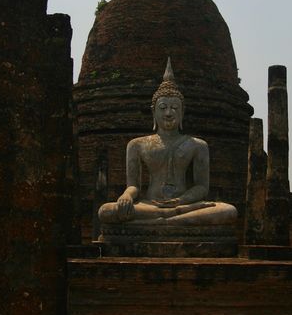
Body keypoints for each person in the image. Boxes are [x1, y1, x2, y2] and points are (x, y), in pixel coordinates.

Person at [98, 59, 237, 226]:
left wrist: (181, 201)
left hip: (185, 205)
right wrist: (126, 196)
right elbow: (133, 185)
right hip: (149, 205)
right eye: (163, 107)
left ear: (182, 112)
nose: (169, 113)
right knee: (106, 211)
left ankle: (163, 220)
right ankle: (173, 220)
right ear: (153, 111)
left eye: (175, 108)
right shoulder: (136, 144)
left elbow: (202, 187)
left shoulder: (198, 145)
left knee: (228, 211)